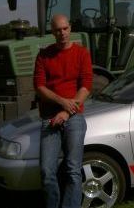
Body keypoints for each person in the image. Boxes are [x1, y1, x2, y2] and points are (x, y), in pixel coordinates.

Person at [34, 14, 93, 208]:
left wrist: (67, 111)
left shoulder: (82, 53)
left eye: (65, 28)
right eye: (58, 30)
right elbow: (40, 87)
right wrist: (62, 102)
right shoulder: (44, 55)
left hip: (74, 116)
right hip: (50, 117)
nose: (62, 33)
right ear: (52, 32)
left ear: (70, 28)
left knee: (73, 169)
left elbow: (86, 86)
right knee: (46, 171)